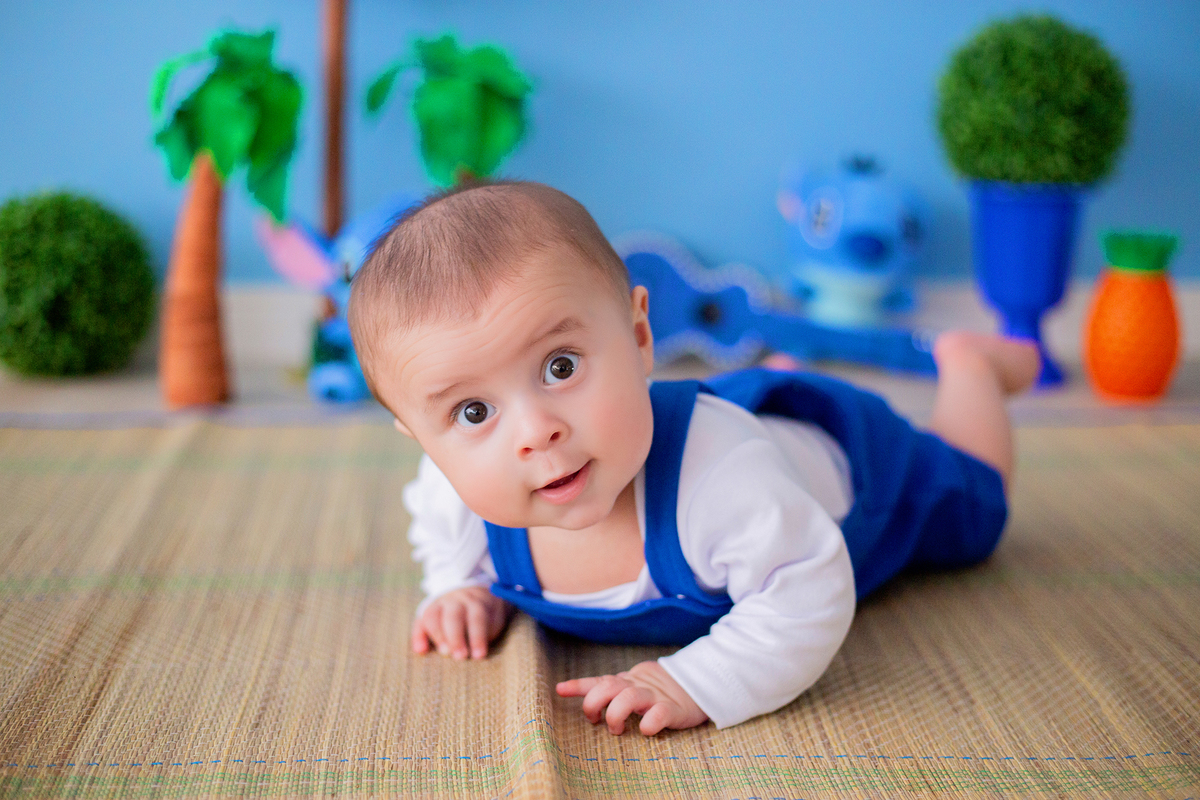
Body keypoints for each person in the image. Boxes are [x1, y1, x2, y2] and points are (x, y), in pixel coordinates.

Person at [346, 180, 1040, 736]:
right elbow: (438, 530)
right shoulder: (452, 494)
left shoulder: (721, 479)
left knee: (975, 513)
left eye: (560, 366)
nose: (536, 432)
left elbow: (808, 588)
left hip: (861, 469)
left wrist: (695, 680)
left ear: (640, 334)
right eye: (473, 413)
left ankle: (968, 366)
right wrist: (454, 585)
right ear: (419, 435)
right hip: (729, 439)